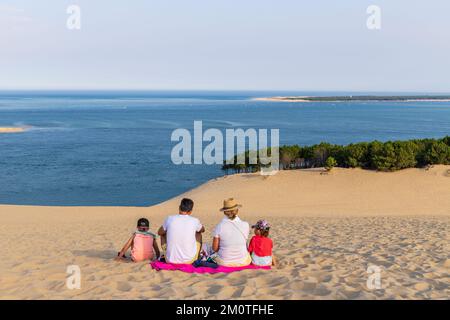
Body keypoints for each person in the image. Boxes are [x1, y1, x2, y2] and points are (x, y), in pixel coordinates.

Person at [158, 198, 205, 264]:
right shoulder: (195, 220)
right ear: (191, 211)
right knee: (198, 233)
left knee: (163, 234)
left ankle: (167, 253)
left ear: (179, 207)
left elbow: (159, 232)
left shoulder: (170, 218)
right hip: (189, 261)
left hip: (170, 260)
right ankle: (196, 256)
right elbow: (202, 230)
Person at [212, 198, 251, 267]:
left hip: (225, 262)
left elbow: (215, 248)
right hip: (243, 261)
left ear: (224, 212)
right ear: (237, 211)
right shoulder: (246, 224)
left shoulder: (219, 226)